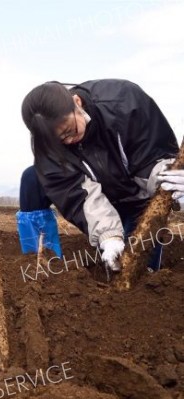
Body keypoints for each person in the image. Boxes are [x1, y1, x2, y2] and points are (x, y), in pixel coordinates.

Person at [21, 79, 180, 272]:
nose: (69, 140)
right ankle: (42, 263)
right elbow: (76, 193)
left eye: (70, 131)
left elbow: (152, 157)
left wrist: (166, 178)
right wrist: (109, 236)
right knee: (32, 178)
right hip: (98, 199)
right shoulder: (46, 143)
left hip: (137, 197)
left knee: (137, 271)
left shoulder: (124, 102)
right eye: (61, 140)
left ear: (77, 103)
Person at [16, 165, 62, 258]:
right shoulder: (49, 174)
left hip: (26, 218)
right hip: (43, 216)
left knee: (30, 254)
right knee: (51, 253)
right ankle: (55, 265)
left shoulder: (27, 172)